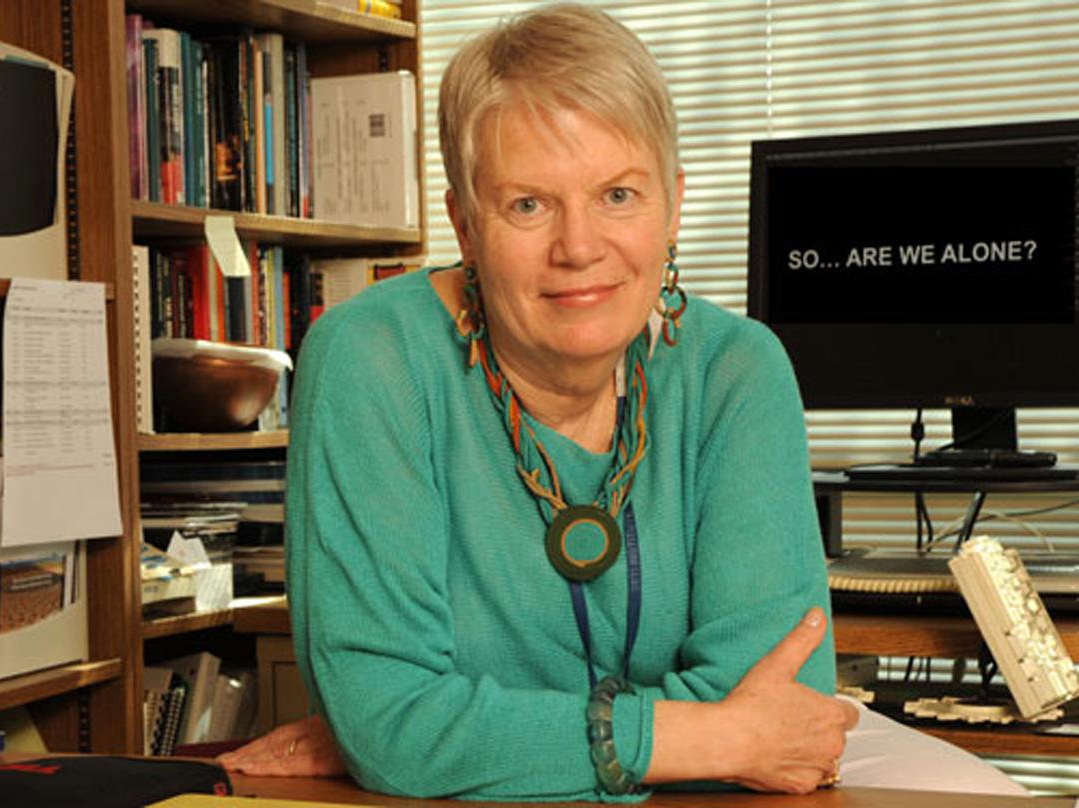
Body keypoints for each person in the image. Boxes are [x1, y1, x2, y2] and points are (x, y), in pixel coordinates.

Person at [219, 3, 1007, 800]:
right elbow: (397, 729)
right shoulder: (373, 359)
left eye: (619, 195)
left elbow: (785, 710)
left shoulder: (737, 371)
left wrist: (464, 738)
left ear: (673, 205)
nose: (580, 247)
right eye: (528, 204)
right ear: (464, 221)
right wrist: (717, 736)